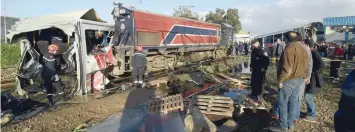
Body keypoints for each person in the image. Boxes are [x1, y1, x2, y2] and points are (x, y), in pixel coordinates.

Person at [270, 31, 308, 132]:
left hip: (289, 79)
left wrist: (281, 80)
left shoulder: (289, 49)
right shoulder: (303, 48)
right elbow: (306, 65)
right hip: (299, 79)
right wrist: (305, 76)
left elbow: (288, 68)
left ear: (287, 39)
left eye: (285, 39)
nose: (285, 41)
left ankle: (283, 126)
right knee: (293, 102)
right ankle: (291, 125)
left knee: (282, 103)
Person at [300, 38, 325, 122]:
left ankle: (312, 114)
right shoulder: (310, 52)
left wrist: (313, 70)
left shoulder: (314, 53)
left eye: (303, 44)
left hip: (314, 78)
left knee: (308, 96)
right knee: (307, 94)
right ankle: (309, 112)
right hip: (311, 77)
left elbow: (322, 64)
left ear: (307, 45)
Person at [295, 36, 313, 123]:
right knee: (297, 96)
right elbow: (310, 65)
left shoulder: (304, 50)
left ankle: (295, 116)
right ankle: (295, 115)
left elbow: (309, 65)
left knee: (297, 97)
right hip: (300, 77)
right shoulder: (306, 50)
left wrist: (308, 77)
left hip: (298, 77)